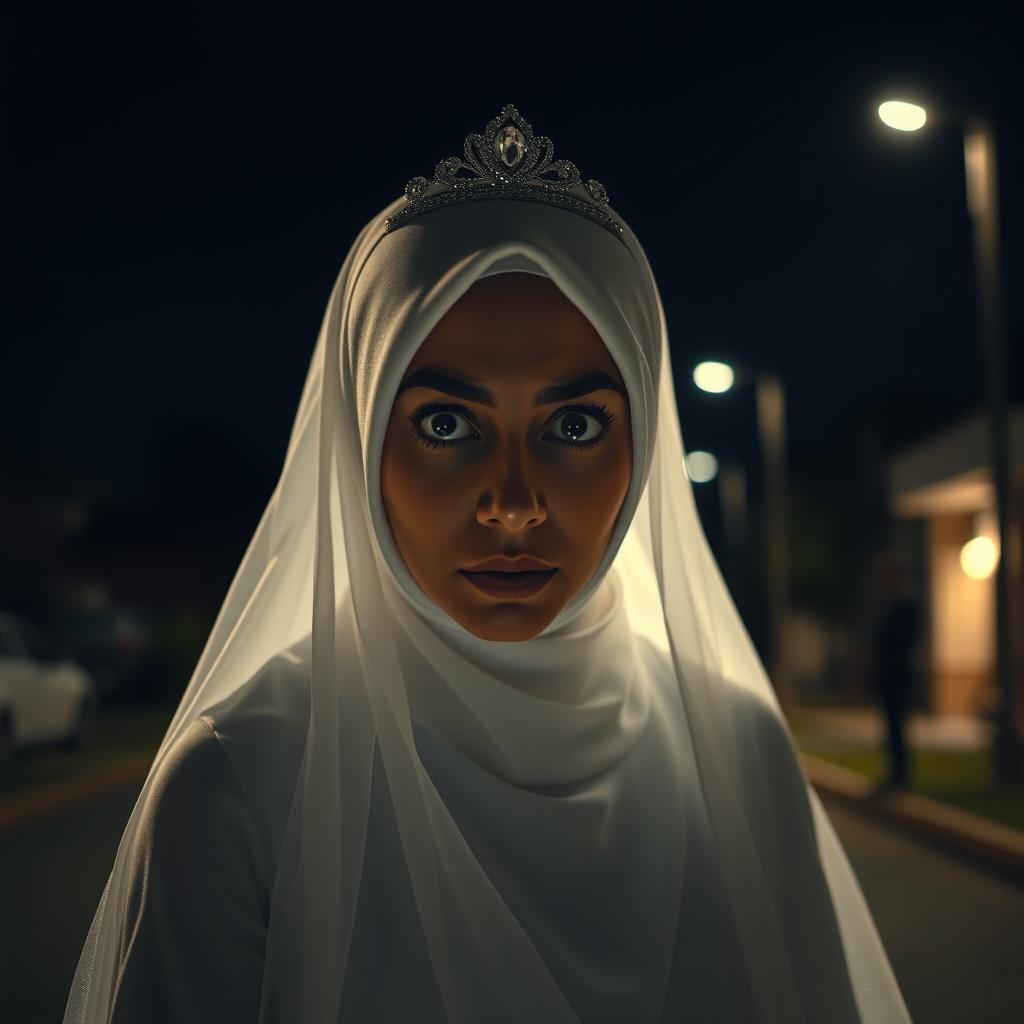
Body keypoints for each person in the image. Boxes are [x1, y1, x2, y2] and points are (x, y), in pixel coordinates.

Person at [64, 104, 913, 1023]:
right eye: (445, 424)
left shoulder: (738, 749)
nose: (513, 501)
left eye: (576, 426)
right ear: (359, 446)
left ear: (642, 449)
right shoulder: (242, 782)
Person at [869, 548, 920, 793]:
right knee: (890, 727)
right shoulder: (887, 604)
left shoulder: (905, 605)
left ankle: (901, 776)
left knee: (898, 726)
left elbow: (904, 639)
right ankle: (894, 774)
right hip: (887, 676)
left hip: (898, 675)